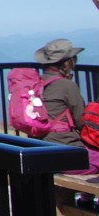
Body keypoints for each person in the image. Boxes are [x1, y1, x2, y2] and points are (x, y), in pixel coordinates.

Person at [34, 38, 99, 174]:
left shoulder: (37, 82)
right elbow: (81, 122)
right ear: (68, 62)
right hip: (64, 148)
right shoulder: (67, 85)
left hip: (39, 145)